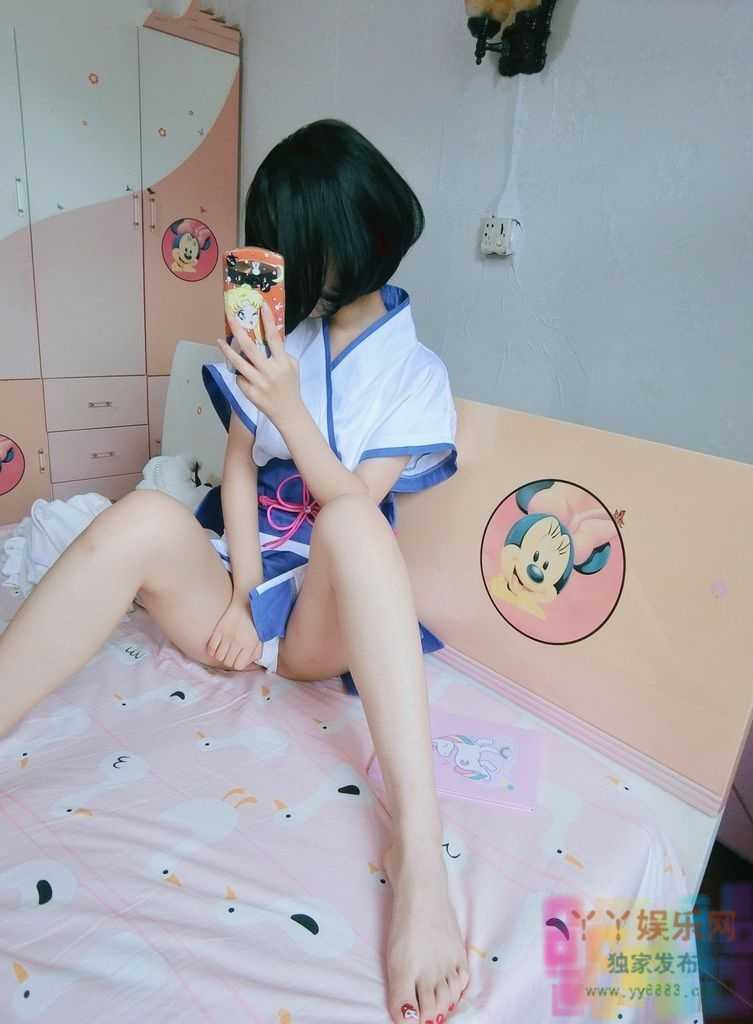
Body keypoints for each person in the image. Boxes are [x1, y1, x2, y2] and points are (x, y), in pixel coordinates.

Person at [0, 119, 468, 1023]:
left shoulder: (417, 374)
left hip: (325, 610)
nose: (278, 268)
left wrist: (290, 408)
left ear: (346, 237)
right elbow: (240, 472)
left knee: (355, 526)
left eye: (292, 245)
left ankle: (419, 854)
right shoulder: (284, 341)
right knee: (143, 515)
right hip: (250, 586)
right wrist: (248, 600)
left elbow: (350, 504)